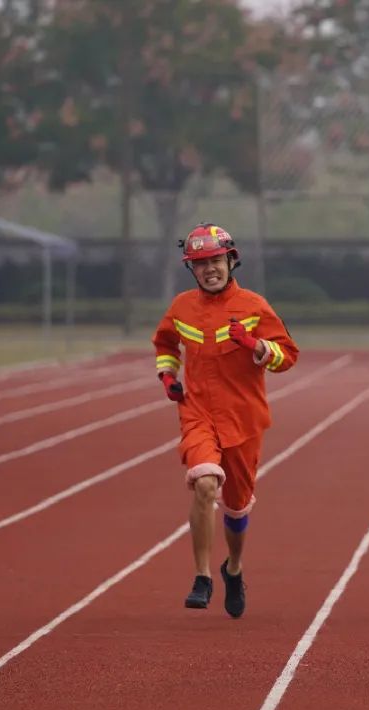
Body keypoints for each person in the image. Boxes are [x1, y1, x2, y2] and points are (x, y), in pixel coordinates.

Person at [152, 223, 298, 618]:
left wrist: (257, 346)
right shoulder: (181, 307)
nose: (209, 269)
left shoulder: (253, 306)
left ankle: (233, 568)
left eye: (215, 260)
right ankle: (202, 577)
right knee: (204, 483)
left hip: (244, 419)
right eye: (200, 264)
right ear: (191, 269)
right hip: (198, 412)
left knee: (236, 508)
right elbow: (165, 343)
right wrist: (168, 376)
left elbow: (288, 356)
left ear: (231, 260)